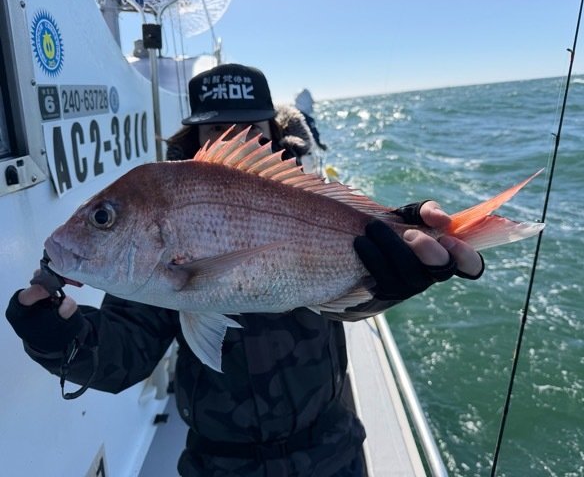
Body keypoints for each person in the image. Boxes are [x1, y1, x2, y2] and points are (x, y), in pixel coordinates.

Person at [5, 64, 483, 477]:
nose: (237, 141)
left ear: (273, 133)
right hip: (219, 463)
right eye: (218, 131)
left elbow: (343, 305)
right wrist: (59, 338)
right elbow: (125, 353)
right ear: (197, 139)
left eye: (252, 129)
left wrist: (394, 271)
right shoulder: (158, 229)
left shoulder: (311, 198)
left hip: (331, 449)